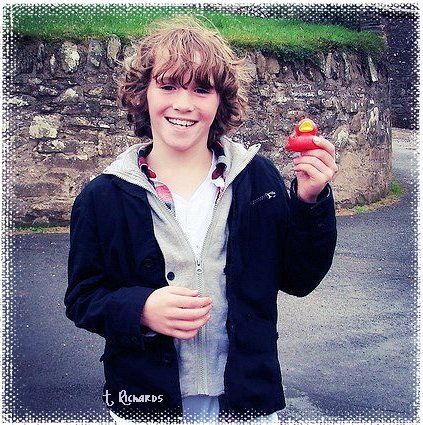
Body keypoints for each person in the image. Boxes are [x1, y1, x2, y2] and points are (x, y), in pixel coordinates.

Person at [64, 15, 338, 425]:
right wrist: (141, 308)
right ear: (142, 94)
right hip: (145, 401)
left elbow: (299, 278)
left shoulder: (256, 178)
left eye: (201, 89)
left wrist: (310, 200)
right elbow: (82, 298)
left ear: (220, 102)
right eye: (168, 85)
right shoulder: (102, 197)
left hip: (247, 400)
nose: (183, 103)